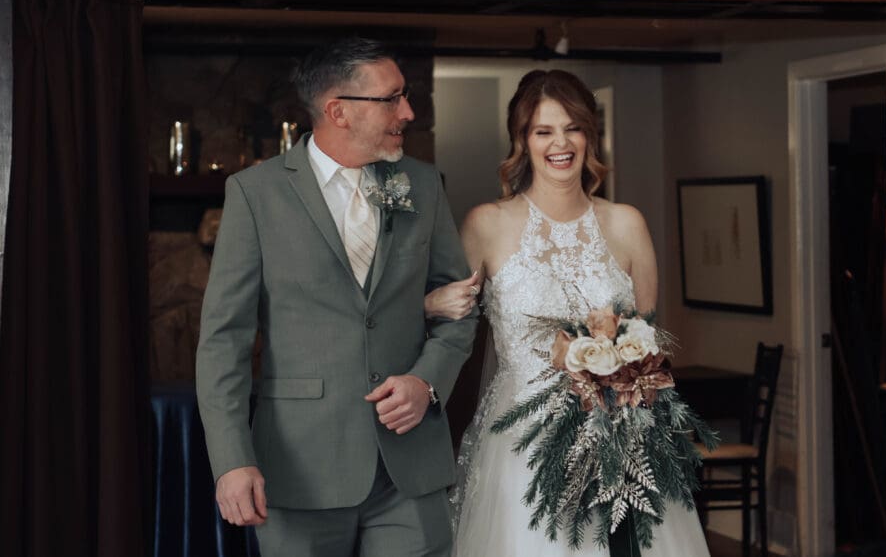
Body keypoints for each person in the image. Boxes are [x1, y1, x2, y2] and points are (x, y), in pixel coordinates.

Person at [196, 37, 479, 557]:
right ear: (338, 111)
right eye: (391, 98)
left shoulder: (421, 183)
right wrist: (232, 460)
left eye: (406, 95)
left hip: (409, 470)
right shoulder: (254, 194)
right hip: (300, 468)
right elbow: (223, 342)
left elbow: (459, 306)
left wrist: (427, 381)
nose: (408, 111)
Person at [427, 69, 710, 556]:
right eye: (543, 131)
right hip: (522, 443)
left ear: (590, 135)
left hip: (619, 436)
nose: (561, 143)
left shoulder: (626, 224)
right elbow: (447, 326)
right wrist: (429, 303)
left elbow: (645, 348)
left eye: (573, 128)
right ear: (523, 140)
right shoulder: (486, 225)